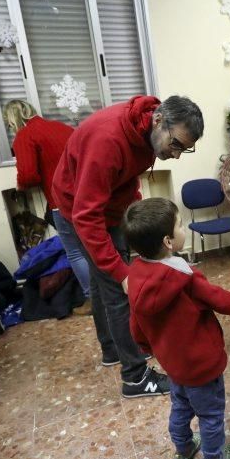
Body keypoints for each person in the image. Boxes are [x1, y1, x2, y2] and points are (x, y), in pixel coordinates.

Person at [52, 95, 204, 397]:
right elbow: (86, 215)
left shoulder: (146, 133)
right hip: (80, 211)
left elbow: (127, 180)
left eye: (184, 150)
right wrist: (120, 272)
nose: (176, 155)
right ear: (158, 120)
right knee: (118, 289)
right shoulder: (108, 140)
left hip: (106, 206)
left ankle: (112, 349)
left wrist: (139, 219)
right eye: (176, 145)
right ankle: (135, 377)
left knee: (101, 285)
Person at [122, 198, 230, 459]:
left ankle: (183, 451)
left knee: (181, 407)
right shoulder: (183, 275)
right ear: (168, 241)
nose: (183, 229)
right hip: (202, 364)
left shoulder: (135, 275)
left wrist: (146, 346)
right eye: (179, 225)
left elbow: (136, 323)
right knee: (211, 414)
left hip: (173, 364)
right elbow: (220, 300)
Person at [3, 100, 90, 315]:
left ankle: (92, 300)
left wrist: (20, 185)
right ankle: (109, 294)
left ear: (13, 119)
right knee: (92, 250)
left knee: (75, 253)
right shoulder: (62, 127)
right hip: (88, 197)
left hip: (61, 201)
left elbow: (29, 174)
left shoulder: (25, 135)